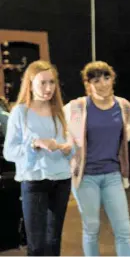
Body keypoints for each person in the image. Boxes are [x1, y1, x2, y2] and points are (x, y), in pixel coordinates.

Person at [64, 61, 130, 256]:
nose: (103, 83)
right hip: (86, 176)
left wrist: (121, 141)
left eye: (106, 78)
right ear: (88, 83)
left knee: (124, 229)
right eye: (96, 80)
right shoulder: (77, 107)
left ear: (113, 79)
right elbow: (61, 128)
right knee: (92, 227)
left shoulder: (123, 106)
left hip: (113, 174)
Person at [3, 60, 74, 256]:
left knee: (54, 241)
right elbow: (9, 152)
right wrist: (34, 144)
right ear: (30, 83)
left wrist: (69, 149)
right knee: (36, 245)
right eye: (43, 83)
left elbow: (68, 145)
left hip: (61, 180)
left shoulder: (59, 112)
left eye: (52, 82)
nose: (48, 88)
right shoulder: (20, 113)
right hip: (34, 182)